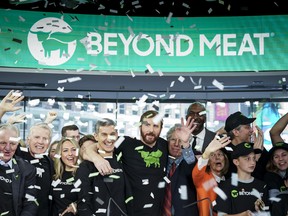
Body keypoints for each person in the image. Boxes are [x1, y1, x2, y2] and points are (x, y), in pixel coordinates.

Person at [82, 110, 195, 216]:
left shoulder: (164, 145)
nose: (151, 130)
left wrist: (185, 143)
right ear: (140, 126)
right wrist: (97, 159)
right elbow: (87, 150)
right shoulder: (125, 143)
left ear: (161, 129)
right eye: (147, 124)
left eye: (155, 126)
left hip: (158, 212)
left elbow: (189, 161)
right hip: (131, 211)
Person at [76, 119, 133, 216]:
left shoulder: (123, 159)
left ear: (117, 135)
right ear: (96, 136)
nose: (109, 139)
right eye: (104, 134)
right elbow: (83, 204)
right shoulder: (85, 167)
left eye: (112, 134)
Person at [214, 142, 269, 215]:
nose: (252, 162)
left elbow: (267, 213)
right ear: (236, 162)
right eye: (247, 159)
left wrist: (260, 212)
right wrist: (243, 215)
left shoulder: (262, 185)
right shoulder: (225, 186)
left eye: (254, 158)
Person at [16, 122, 54, 216]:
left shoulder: (49, 162)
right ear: (28, 139)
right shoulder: (17, 154)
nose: (40, 142)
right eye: (37, 137)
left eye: (45, 138)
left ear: (49, 143)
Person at [0, 123, 38, 216]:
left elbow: (30, 203)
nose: (7, 148)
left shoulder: (27, 169)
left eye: (12, 144)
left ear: (17, 144)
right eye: (3, 143)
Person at [162, 123, 198, 216]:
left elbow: (192, 166)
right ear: (168, 141)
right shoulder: (161, 161)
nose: (177, 144)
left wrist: (186, 145)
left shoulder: (192, 161)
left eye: (181, 140)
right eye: (173, 139)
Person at [192, 135, 230, 216]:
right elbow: (197, 173)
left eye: (220, 154)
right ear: (208, 162)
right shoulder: (203, 179)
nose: (217, 158)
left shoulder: (229, 181)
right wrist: (206, 153)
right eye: (212, 155)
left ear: (225, 159)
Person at [224, 111, 268, 180]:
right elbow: (233, 179)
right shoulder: (224, 152)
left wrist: (259, 151)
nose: (251, 130)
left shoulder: (256, 147)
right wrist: (255, 158)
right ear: (236, 132)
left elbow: (269, 171)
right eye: (247, 127)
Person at [52, 138, 80, 216]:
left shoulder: (83, 174)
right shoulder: (55, 175)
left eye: (73, 149)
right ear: (60, 154)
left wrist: (77, 205)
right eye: (65, 150)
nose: (70, 154)